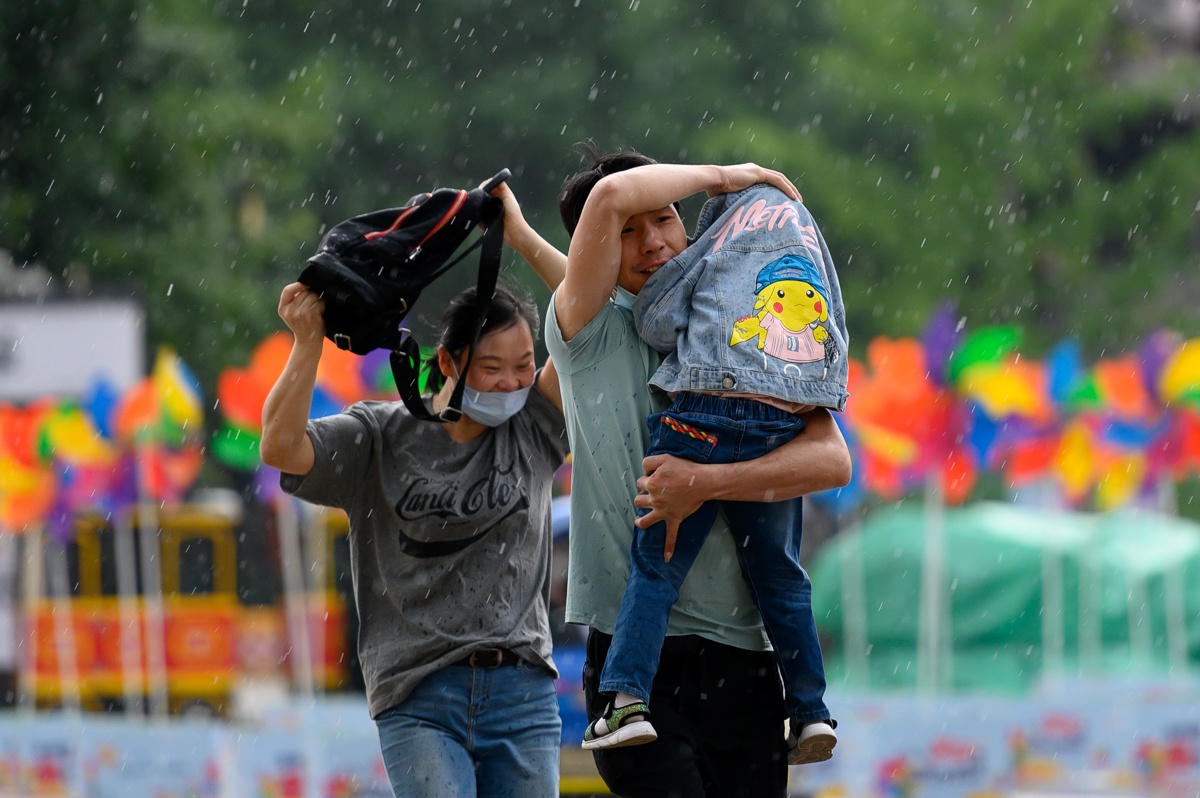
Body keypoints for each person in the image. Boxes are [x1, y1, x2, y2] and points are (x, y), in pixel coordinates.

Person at [546, 146, 853, 798]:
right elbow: (607, 199)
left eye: (664, 218)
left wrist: (705, 483)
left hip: (745, 655)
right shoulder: (586, 326)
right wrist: (730, 178)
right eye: (628, 231)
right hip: (636, 664)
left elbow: (832, 462)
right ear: (591, 248)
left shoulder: (746, 325)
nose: (653, 242)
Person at [259, 184, 570, 798]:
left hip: (523, 693)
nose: (513, 382)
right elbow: (281, 447)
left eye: (524, 365)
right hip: (418, 693)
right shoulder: (379, 436)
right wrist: (307, 343)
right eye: (492, 368)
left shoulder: (535, 424)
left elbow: (592, 312)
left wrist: (518, 234)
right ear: (448, 363)